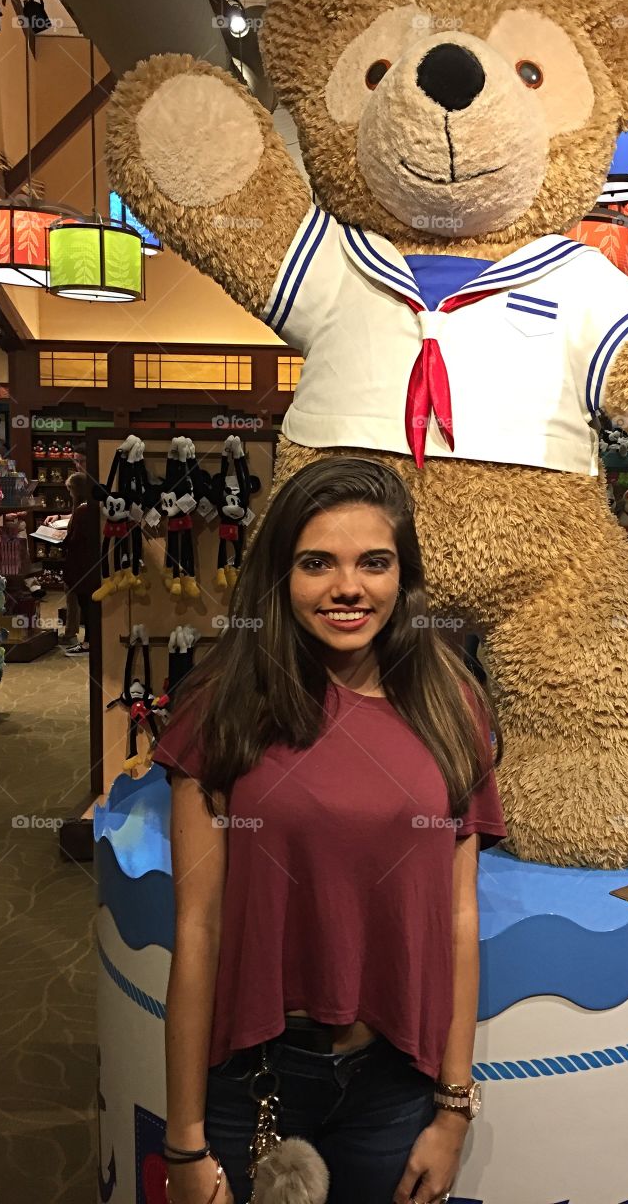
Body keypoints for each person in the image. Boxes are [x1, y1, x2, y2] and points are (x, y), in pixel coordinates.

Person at [153, 457, 507, 1204]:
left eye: (373, 563)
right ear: (279, 578)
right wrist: (183, 1142)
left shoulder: (451, 706)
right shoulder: (221, 706)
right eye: (318, 563)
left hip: (393, 1083)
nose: (349, 587)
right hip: (254, 1076)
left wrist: (453, 1108)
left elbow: (459, 916)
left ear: (401, 577)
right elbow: (199, 927)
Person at [55, 472, 92, 655]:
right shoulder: (86, 508)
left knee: (86, 603)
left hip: (81, 564)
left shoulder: (82, 510)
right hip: (84, 562)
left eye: (70, 489)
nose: (69, 494)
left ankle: (88, 642)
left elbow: (76, 539)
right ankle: (88, 641)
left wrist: (61, 539)